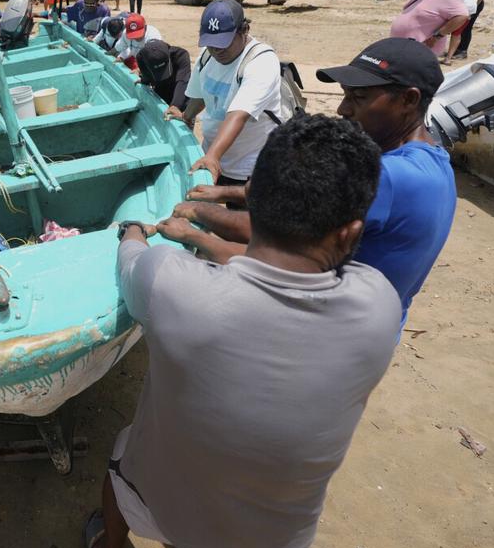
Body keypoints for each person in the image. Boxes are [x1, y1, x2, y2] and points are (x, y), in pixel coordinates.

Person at [87, 114, 400, 548]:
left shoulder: (171, 283)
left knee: (121, 459)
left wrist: (132, 230)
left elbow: (132, 258)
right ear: (351, 232)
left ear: (250, 197)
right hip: (272, 542)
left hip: (161, 508)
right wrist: (202, 235)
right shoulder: (380, 304)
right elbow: (287, 272)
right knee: (233, 533)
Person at [174, 38, 457, 329]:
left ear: (408, 100)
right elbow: (307, 199)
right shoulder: (434, 159)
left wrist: (197, 215)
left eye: (359, 98)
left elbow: (273, 236)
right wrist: (227, 192)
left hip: (330, 327)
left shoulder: (387, 176)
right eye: (345, 95)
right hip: (372, 325)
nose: (343, 109)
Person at [170, 0, 281, 186]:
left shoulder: (261, 62)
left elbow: (239, 115)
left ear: (244, 30)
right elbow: (201, 95)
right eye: (212, 44)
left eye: (223, 43)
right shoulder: (207, 56)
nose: (217, 50)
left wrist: (213, 156)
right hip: (212, 157)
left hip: (248, 169)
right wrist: (186, 116)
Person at [136, 39, 191, 110]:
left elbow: (183, 81)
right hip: (160, 87)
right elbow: (146, 75)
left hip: (180, 91)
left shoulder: (181, 55)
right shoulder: (141, 58)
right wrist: (144, 80)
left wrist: (175, 105)